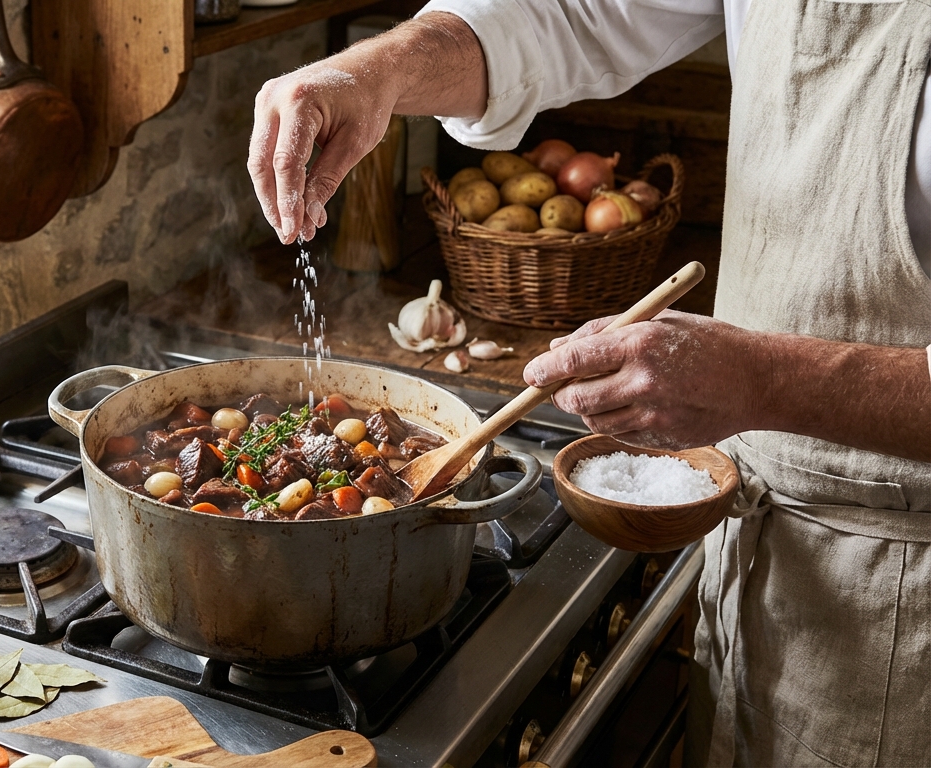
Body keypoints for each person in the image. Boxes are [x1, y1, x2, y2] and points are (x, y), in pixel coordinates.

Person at [248, 2, 931, 764]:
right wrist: (381, 70)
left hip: (908, 599)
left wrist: (765, 379)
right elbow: (578, 12)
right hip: (756, 537)